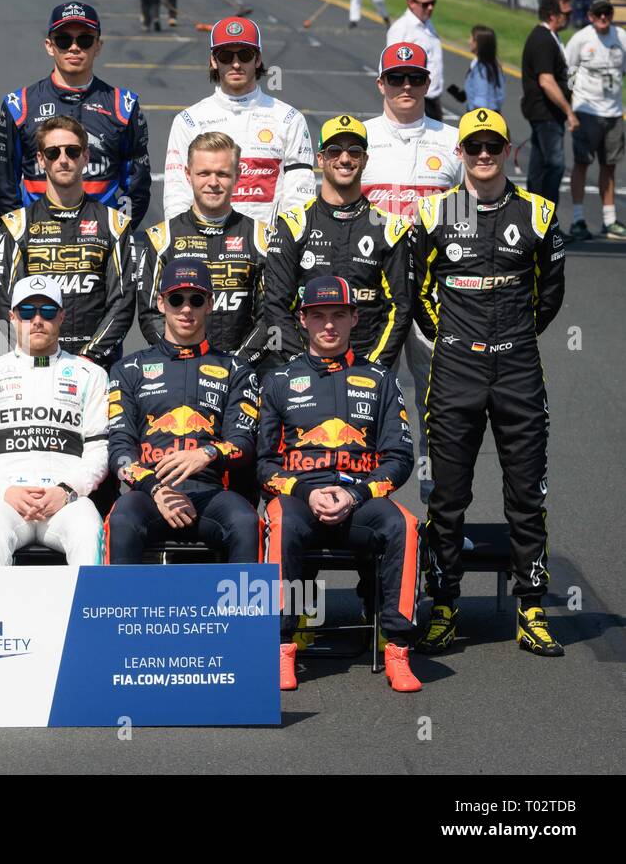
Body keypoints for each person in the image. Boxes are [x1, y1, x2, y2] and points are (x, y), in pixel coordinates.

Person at [412, 108, 567, 658]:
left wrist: (514, 338)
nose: (483, 155)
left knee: (527, 495)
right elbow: (417, 292)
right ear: (460, 152)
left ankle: (531, 607)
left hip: (519, 367)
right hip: (455, 368)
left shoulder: (539, 212)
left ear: (508, 152)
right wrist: (450, 338)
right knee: (448, 497)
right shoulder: (433, 211)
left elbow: (549, 295)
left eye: (492, 146)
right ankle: (444, 605)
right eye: (473, 146)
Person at [258, 276, 420, 693]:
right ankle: (280, 647)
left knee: (404, 525)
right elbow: (264, 464)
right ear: (303, 321)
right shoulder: (277, 380)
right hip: (299, 496)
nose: (328, 325)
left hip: (360, 495)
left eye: (337, 315)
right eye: (318, 316)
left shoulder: (382, 379)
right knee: (281, 525)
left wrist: (354, 494)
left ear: (354, 318)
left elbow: (399, 458)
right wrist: (306, 492)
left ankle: (397, 648)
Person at [106, 260, 261, 566]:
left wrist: (207, 453)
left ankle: (245, 614)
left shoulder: (236, 369)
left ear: (210, 304)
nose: (186, 309)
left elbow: (244, 442)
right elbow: (120, 451)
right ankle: (124, 613)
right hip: (149, 492)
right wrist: (156, 488)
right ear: (161, 304)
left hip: (211, 492)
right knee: (121, 520)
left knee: (246, 522)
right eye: (177, 299)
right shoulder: (127, 370)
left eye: (196, 299)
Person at [360, 41, 462, 503]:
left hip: (431, 296)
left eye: (415, 78)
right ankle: (361, 501)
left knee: (436, 406)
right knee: (362, 399)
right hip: (370, 295)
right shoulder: (357, 139)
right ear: (381, 82)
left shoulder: (452, 140)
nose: (406, 87)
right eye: (396, 78)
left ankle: (438, 511)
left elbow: (466, 226)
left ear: (427, 83)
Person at [0, 276, 109, 565]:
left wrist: (67, 490)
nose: (37, 320)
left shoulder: (91, 375)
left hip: (65, 500)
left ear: (61, 317)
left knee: (88, 527)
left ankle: (84, 611)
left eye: (47, 312)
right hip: (5, 499)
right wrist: (5, 490)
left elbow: (100, 449)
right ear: (12, 317)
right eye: (27, 312)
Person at [264, 114, 413, 369]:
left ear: (365, 160)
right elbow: (276, 305)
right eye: (335, 151)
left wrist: (375, 368)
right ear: (320, 159)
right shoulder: (293, 224)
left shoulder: (390, 227)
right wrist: (301, 365)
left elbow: (400, 311)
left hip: (367, 366)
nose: (345, 159)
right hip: (306, 368)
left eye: (354, 151)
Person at [0, 116, 134, 370]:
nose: (63, 159)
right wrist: (35, 353)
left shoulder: (115, 223)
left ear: (86, 157)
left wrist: (90, 358)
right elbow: (5, 303)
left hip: (97, 367)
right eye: (53, 153)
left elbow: (122, 303)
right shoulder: (16, 225)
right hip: (33, 364)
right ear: (40, 160)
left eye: (73, 151)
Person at [0, 2, 151, 224]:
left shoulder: (123, 106)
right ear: (49, 46)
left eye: (85, 40)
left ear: (98, 46)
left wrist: (118, 234)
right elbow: (4, 184)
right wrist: (22, 233)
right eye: (64, 40)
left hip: (101, 238)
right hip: (38, 238)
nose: (74, 47)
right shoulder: (18, 105)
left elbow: (137, 183)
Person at [163, 17, 314, 226]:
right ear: (214, 61)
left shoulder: (289, 119)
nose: (236, 64)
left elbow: (300, 195)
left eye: (245, 55)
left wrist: (285, 245)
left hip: (269, 248)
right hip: (204, 247)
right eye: (225, 56)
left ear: (258, 59)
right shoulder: (189, 121)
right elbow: (177, 192)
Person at [135, 130, 269, 363]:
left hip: (244, 371)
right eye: (204, 173)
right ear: (188, 175)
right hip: (178, 365)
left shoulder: (262, 237)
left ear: (237, 175)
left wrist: (238, 365)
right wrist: (184, 358)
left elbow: (269, 316)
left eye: (223, 174)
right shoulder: (161, 237)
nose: (213, 183)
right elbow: (150, 315)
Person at [565, 0, 626, 240]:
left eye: (607, 14)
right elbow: (567, 69)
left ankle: (609, 220)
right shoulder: (581, 38)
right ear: (590, 16)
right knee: (582, 163)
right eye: (598, 14)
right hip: (586, 110)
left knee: (609, 165)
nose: (603, 18)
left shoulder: (621, 37)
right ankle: (579, 219)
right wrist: (572, 107)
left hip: (613, 112)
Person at [519, 0, 575, 210]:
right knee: (555, 165)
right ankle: (547, 219)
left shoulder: (551, 38)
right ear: (552, 14)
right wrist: (569, 112)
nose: (569, 18)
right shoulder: (543, 40)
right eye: (566, 13)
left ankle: (533, 215)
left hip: (548, 114)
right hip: (546, 114)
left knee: (539, 165)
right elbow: (546, 81)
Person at [386, 0, 444, 120]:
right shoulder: (401, 30)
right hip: (416, 101)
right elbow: (391, 68)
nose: (430, 8)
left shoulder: (427, 24)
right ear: (411, 3)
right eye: (425, 4)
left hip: (433, 100)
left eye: (432, 3)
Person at [453, 25, 505, 112]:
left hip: (480, 118)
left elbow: (481, 102)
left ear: (479, 43)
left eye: (472, 39)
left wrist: (475, 122)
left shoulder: (482, 70)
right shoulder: (493, 65)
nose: (469, 41)